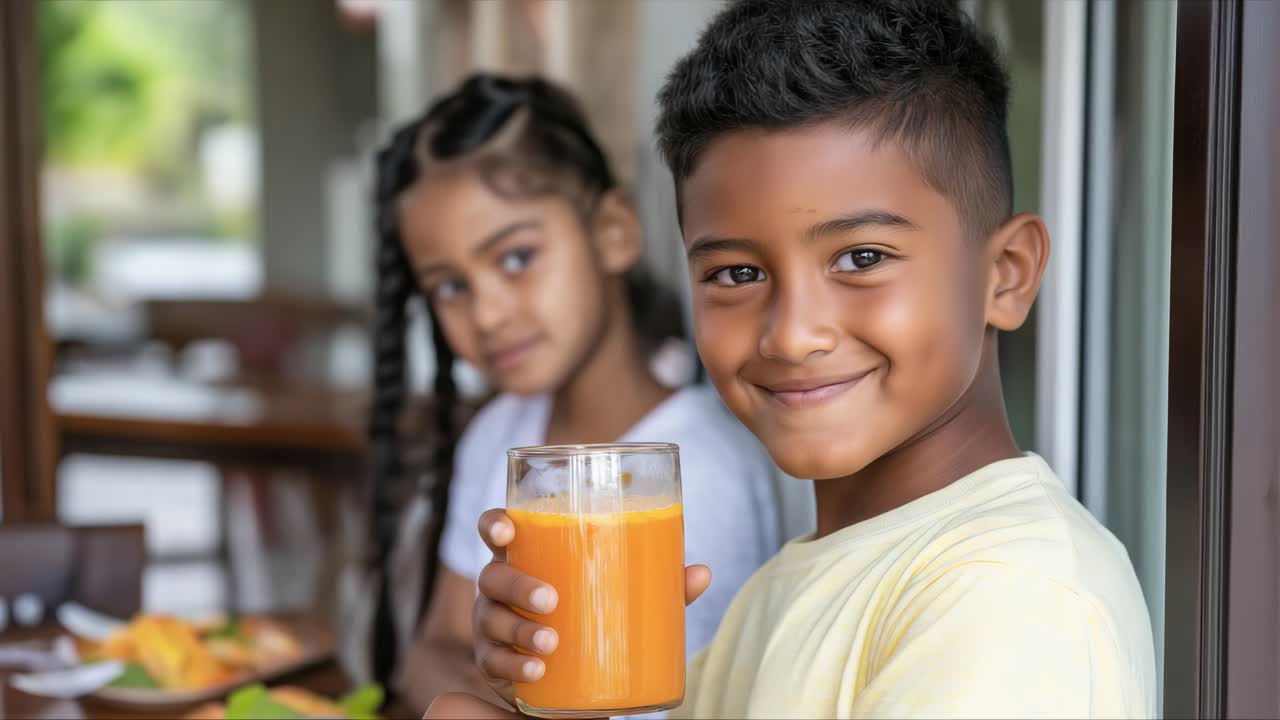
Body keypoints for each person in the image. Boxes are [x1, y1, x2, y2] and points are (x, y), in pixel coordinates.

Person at [430, 1, 1158, 718]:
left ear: (1006, 274)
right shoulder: (779, 595)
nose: (791, 334)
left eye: (862, 257)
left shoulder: (1012, 601)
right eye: (737, 275)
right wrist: (553, 697)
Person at [369, 73, 786, 715]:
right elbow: (432, 650)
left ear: (612, 231)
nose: (487, 314)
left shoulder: (700, 467)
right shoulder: (501, 434)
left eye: (515, 258)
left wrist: (488, 693)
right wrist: (505, 687)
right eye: (450, 286)